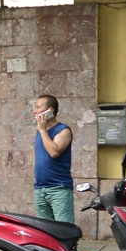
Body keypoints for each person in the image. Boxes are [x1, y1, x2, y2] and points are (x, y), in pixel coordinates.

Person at [31, 94, 74, 224]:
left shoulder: (63, 130)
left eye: (38, 107)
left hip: (58, 188)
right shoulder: (40, 131)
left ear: (51, 110)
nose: (35, 111)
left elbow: (54, 152)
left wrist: (43, 131)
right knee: (45, 231)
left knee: (63, 230)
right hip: (40, 188)